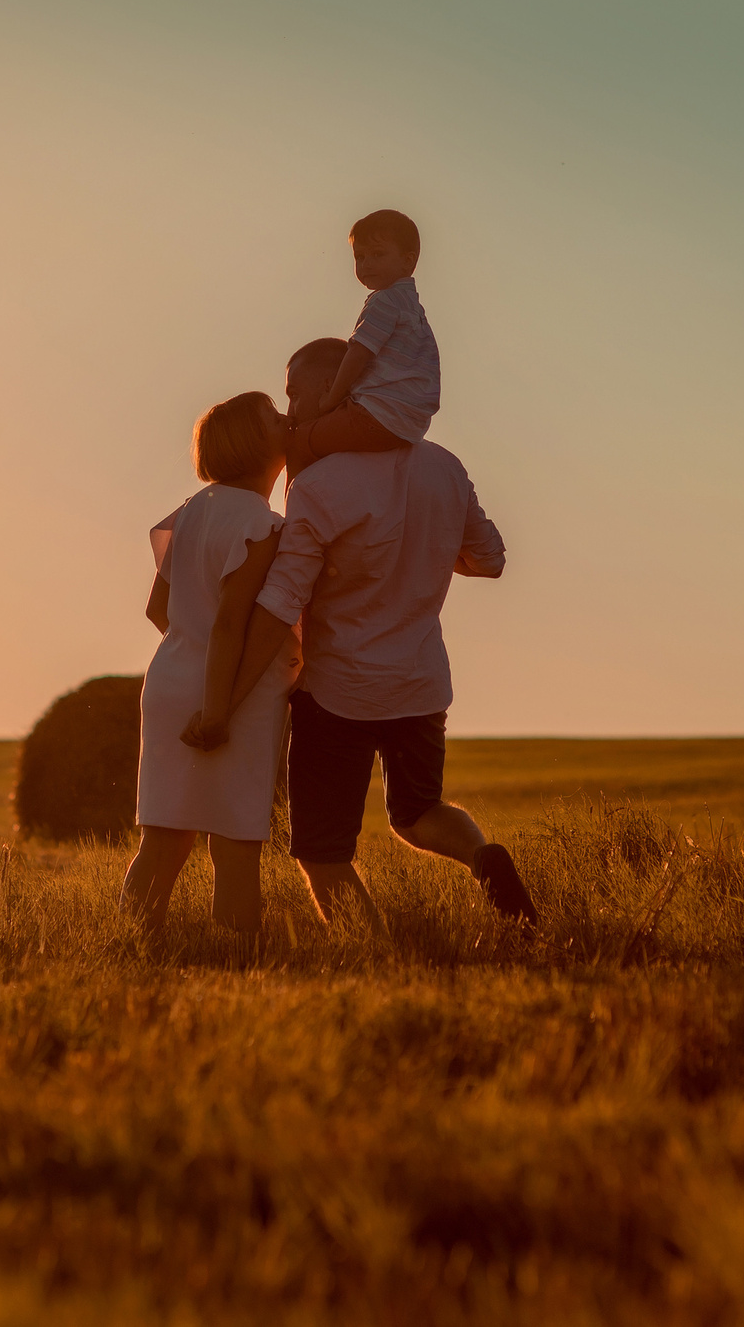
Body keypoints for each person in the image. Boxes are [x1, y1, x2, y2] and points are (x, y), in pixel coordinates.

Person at [230, 337, 537, 932]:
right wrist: (419, 550)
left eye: (294, 392)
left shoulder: (318, 486)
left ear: (330, 388)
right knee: (419, 813)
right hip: (420, 682)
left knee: (322, 851)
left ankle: (374, 954)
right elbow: (490, 558)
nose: (290, 408)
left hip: (334, 693)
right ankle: (482, 855)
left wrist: (232, 689)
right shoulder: (444, 465)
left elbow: (284, 598)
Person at [123, 390, 301, 941]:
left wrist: (189, 647)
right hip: (230, 699)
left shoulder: (191, 510)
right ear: (254, 443)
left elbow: (158, 608)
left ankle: (133, 943)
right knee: (235, 841)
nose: (287, 420)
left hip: (170, 678)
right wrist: (219, 706)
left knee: (163, 838)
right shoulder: (261, 522)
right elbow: (231, 623)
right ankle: (238, 956)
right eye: (274, 417)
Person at [286, 209, 438, 475]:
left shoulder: (384, 301)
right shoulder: (414, 310)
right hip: (410, 425)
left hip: (376, 415)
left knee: (298, 441)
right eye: (360, 257)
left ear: (407, 261)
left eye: (378, 255)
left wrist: (332, 399)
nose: (366, 264)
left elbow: (358, 352)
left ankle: (294, 512)